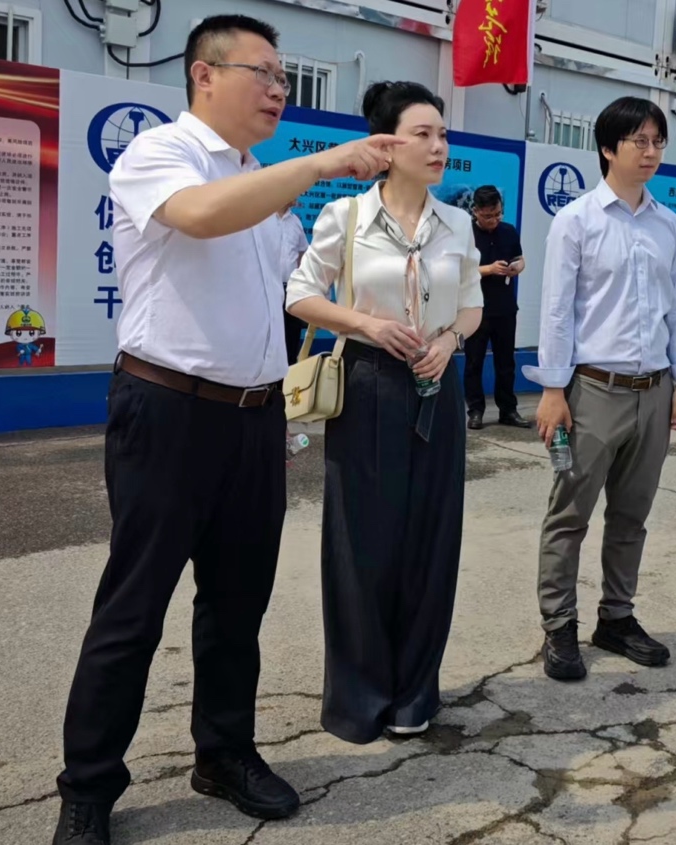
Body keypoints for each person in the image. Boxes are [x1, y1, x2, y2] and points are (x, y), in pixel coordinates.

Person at [52, 16, 402, 844]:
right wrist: (318, 164)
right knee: (133, 607)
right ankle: (88, 786)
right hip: (167, 412)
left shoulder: (263, 187)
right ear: (204, 75)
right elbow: (202, 217)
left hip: (254, 420)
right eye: (265, 73)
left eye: (284, 77)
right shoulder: (161, 154)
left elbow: (290, 294)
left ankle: (224, 752)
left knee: (237, 603)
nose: (280, 90)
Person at [285, 81, 481, 743]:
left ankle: (414, 692)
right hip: (367, 384)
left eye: (443, 134)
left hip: (437, 387)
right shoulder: (345, 216)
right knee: (360, 542)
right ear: (387, 145)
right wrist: (365, 324)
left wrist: (450, 342)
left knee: (433, 537)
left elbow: (472, 303)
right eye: (423, 134)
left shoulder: (456, 223)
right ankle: (359, 696)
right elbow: (300, 294)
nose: (439, 146)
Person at [526, 96, 676, 681]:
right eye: (639, 141)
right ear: (608, 148)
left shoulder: (668, 223)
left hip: (654, 391)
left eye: (658, 141)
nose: (651, 151)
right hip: (593, 391)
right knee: (570, 514)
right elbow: (557, 311)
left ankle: (617, 617)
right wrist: (554, 389)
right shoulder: (577, 220)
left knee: (632, 516)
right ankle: (560, 625)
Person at [465, 185, 530, 430]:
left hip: (505, 307)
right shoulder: (465, 234)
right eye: (488, 216)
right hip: (475, 308)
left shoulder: (509, 231)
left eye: (498, 214)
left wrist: (517, 267)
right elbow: (459, 271)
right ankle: (475, 410)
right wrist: (489, 269)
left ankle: (508, 410)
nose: (494, 220)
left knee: (506, 362)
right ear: (475, 211)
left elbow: (519, 258)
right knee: (474, 362)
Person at [279, 199, 310, 365]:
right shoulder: (264, 220)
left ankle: (288, 376)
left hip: (289, 290)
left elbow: (302, 252)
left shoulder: (295, 222)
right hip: (270, 290)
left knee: (290, 341)